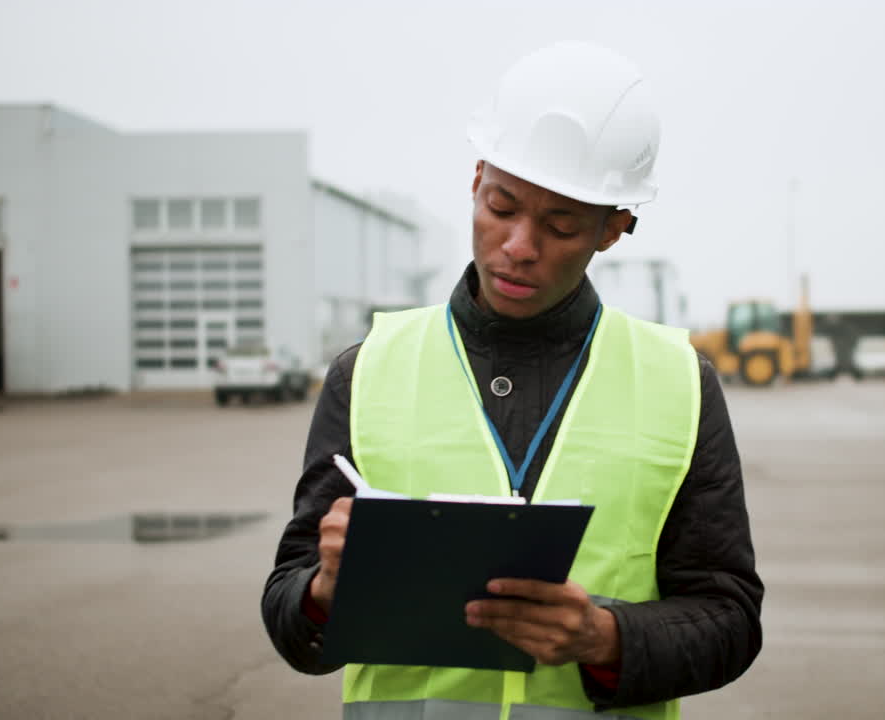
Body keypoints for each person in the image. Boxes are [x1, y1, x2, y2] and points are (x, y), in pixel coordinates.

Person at [262, 41, 763, 718]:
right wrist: (324, 591)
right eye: (501, 206)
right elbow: (291, 615)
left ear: (612, 230)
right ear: (475, 181)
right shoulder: (368, 369)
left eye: (560, 225)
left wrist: (607, 638)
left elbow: (729, 619)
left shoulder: (680, 383)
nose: (519, 245)